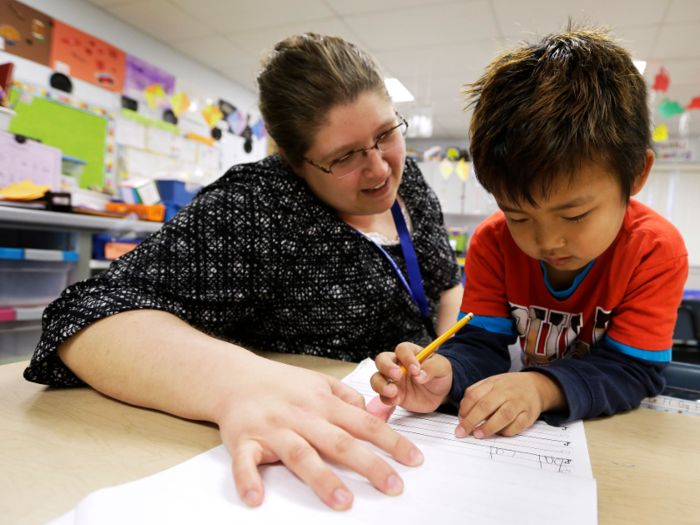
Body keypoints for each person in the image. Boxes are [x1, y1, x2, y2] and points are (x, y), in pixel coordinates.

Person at [23, 34, 463, 510]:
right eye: (343, 157)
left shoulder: (411, 180)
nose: (379, 170)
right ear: (295, 162)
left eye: (386, 134)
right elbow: (85, 313)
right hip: (305, 444)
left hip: (425, 422)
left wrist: (451, 364)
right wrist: (237, 383)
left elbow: (446, 284)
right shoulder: (260, 206)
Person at [372, 25, 688, 440]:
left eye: (574, 216)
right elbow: (480, 344)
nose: (546, 241)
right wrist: (446, 374)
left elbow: (634, 370)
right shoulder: (492, 242)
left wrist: (542, 387)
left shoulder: (655, 250)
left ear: (636, 175)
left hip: (617, 434)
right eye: (518, 216)